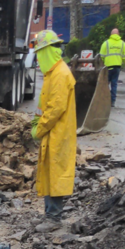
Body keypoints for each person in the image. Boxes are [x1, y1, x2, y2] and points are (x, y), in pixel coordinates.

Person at [30, 30, 77, 232]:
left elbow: (55, 109)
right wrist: (37, 122)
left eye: (40, 53)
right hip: (52, 132)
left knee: (56, 172)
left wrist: (38, 129)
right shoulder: (52, 73)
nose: (39, 59)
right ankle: (49, 214)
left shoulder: (60, 74)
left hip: (57, 132)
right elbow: (44, 105)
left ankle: (54, 218)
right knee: (49, 171)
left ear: (47, 51)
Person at [100, 28, 125, 107]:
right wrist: (121, 61)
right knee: (114, 84)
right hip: (117, 67)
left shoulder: (106, 43)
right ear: (118, 34)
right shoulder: (122, 44)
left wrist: (104, 61)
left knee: (105, 84)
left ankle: (105, 99)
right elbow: (124, 57)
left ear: (111, 34)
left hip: (107, 67)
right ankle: (112, 101)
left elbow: (101, 55)